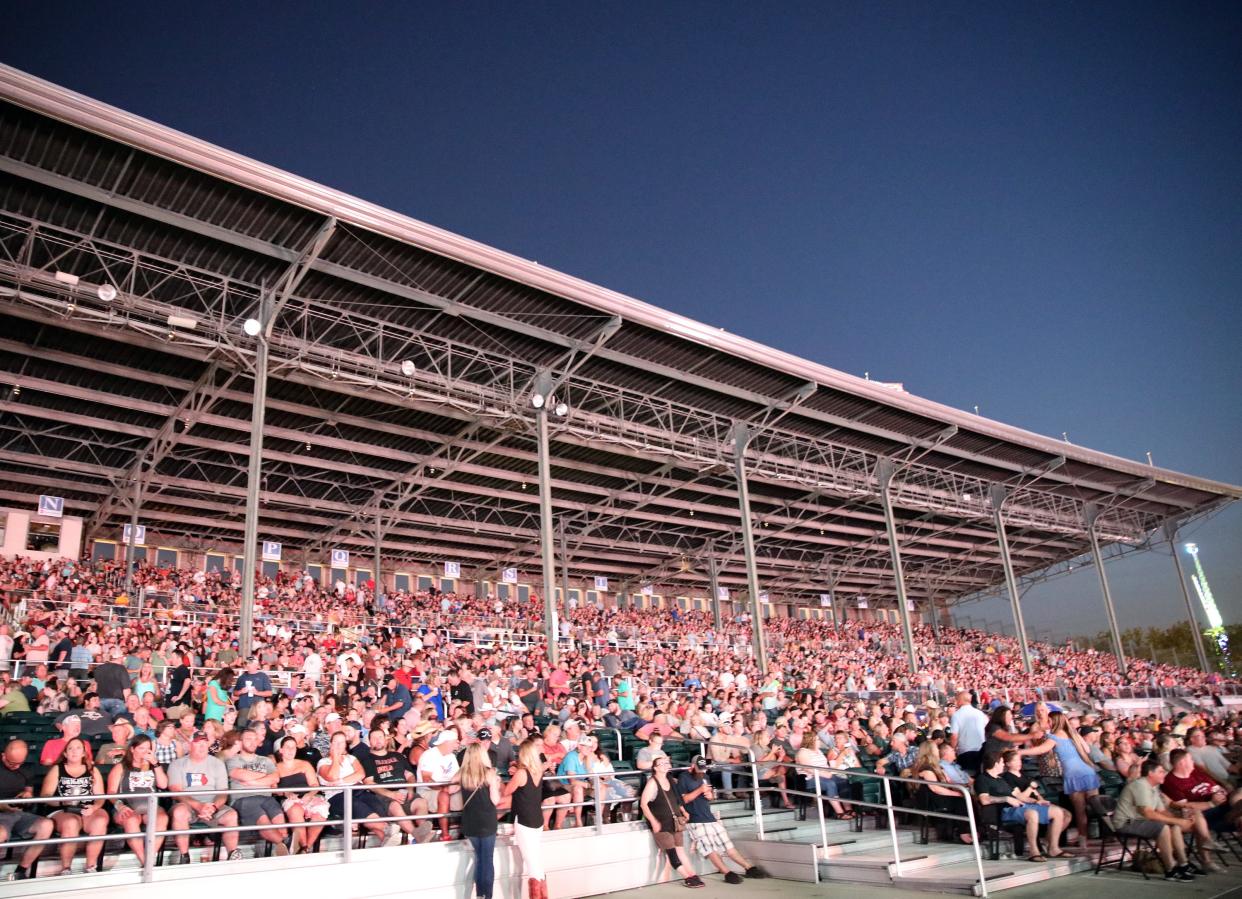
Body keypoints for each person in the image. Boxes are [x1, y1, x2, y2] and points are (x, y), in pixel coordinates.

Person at [677, 755, 768, 884]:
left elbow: (710, 796)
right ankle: (727, 873)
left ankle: (749, 868)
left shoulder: (705, 777)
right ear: (692, 766)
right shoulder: (684, 778)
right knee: (709, 849)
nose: (702, 771)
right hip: (695, 819)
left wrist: (710, 796)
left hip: (709, 816)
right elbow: (683, 800)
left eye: (704, 769)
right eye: (700, 769)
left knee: (728, 845)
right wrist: (699, 790)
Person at [1112, 758, 1197, 882]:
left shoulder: (1153, 787)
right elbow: (1148, 813)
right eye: (1161, 771)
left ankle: (1184, 864)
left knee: (1174, 826)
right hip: (1126, 821)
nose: (1164, 774)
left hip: (1139, 820)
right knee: (1162, 828)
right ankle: (1170, 869)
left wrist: (1180, 821)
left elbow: (1162, 811)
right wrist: (1178, 821)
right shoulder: (1140, 785)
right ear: (1151, 774)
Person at [1023, 712, 1099, 849]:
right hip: (1088, 772)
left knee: (1080, 811)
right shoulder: (1073, 734)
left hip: (1073, 775)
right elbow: (1087, 750)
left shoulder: (1054, 737)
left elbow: (1041, 750)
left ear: (1054, 721)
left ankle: (1083, 842)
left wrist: (1020, 752)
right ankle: (1095, 836)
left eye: (1049, 721)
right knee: (1097, 807)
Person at [167, 730, 243, 862]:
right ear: (190, 744)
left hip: (211, 805)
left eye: (204, 742)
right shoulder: (177, 764)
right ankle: (184, 856)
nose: (202, 746)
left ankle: (233, 854)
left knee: (231, 815)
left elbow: (222, 792)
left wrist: (213, 806)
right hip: (187, 805)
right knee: (179, 812)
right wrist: (198, 805)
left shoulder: (217, 763)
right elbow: (176, 791)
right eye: (197, 743)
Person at [974, 752, 1065, 863]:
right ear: (995, 764)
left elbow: (1019, 796)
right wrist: (1006, 799)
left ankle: (1053, 848)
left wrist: (1037, 801)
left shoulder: (1000, 779)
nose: (1003, 765)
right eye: (1002, 762)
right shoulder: (982, 779)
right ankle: (1034, 851)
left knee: (1057, 812)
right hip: (1002, 811)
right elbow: (984, 799)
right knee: (1032, 814)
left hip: (1019, 806)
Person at [223, 728, 293, 856]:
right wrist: (264, 776)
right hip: (244, 799)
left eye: (255, 739)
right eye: (248, 739)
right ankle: (287, 844)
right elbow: (239, 774)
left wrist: (252, 782)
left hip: (266, 798)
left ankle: (285, 843)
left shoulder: (265, 760)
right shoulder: (233, 760)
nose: (252, 742)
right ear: (240, 742)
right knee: (263, 820)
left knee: (279, 820)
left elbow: (275, 778)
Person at [105, 734, 169, 868]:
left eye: (148, 749)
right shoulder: (121, 767)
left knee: (162, 818)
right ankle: (145, 862)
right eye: (141, 748)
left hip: (150, 806)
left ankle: (150, 858)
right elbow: (110, 792)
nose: (145, 752)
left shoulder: (154, 766)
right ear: (132, 749)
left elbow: (163, 785)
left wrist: (155, 764)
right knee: (131, 820)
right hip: (127, 805)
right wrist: (120, 806)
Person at [640, 755, 704, 888]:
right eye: (661, 763)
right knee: (672, 854)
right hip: (661, 823)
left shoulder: (671, 780)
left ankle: (692, 875)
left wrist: (683, 811)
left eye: (666, 763)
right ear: (655, 768)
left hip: (675, 821)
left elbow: (676, 800)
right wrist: (653, 822)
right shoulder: (652, 783)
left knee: (681, 851)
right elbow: (643, 804)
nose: (665, 765)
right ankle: (687, 877)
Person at [502, 737, 548, 899]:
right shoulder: (539, 770)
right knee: (537, 860)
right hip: (537, 819)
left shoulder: (522, 773)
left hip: (525, 821)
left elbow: (507, 791)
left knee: (532, 863)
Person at [460, 743, 504, 899]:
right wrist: (497, 784)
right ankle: (488, 896)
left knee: (479, 860)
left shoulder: (463, 773)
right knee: (487, 860)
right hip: (487, 821)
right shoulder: (489, 773)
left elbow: (451, 788)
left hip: (470, 822)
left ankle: (479, 895)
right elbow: (495, 800)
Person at [273, 734, 329, 854]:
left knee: (320, 810)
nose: (290, 750)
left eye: (293, 747)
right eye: (287, 747)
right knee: (296, 809)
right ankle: (303, 846)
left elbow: (315, 785)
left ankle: (305, 848)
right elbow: (273, 788)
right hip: (289, 798)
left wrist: (309, 794)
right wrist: (286, 792)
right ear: (281, 750)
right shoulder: (276, 768)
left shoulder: (304, 764)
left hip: (308, 796)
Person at [417, 729, 462, 841]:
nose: (457, 744)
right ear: (446, 742)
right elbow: (426, 779)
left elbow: (456, 776)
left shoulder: (451, 756)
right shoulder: (429, 755)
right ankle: (445, 834)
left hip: (448, 788)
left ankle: (468, 830)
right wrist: (445, 788)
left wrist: (454, 787)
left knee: (471, 793)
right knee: (444, 795)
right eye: (455, 742)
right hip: (428, 791)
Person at [794, 731, 852, 819]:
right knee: (830, 784)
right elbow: (808, 768)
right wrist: (825, 774)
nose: (819, 741)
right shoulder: (803, 752)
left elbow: (824, 765)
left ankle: (848, 809)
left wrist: (830, 772)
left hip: (824, 774)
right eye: (817, 740)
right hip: (809, 778)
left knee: (843, 781)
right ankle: (839, 812)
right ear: (810, 741)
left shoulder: (818, 751)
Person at [949, 691, 988, 773]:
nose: (956, 702)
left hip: (965, 751)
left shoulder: (956, 715)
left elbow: (954, 736)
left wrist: (952, 749)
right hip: (981, 750)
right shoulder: (980, 713)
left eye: (956, 700)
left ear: (960, 700)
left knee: (967, 777)